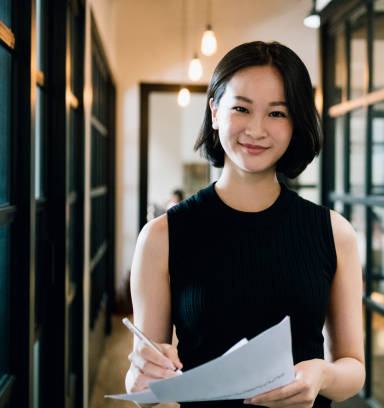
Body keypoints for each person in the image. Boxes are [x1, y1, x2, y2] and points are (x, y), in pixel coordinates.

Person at [125, 41, 364, 408]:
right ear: (216, 112)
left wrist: (323, 374)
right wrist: (142, 377)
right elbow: (145, 386)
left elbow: (353, 370)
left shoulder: (334, 233)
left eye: (277, 113)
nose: (256, 129)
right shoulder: (161, 237)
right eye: (241, 108)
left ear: (296, 123)